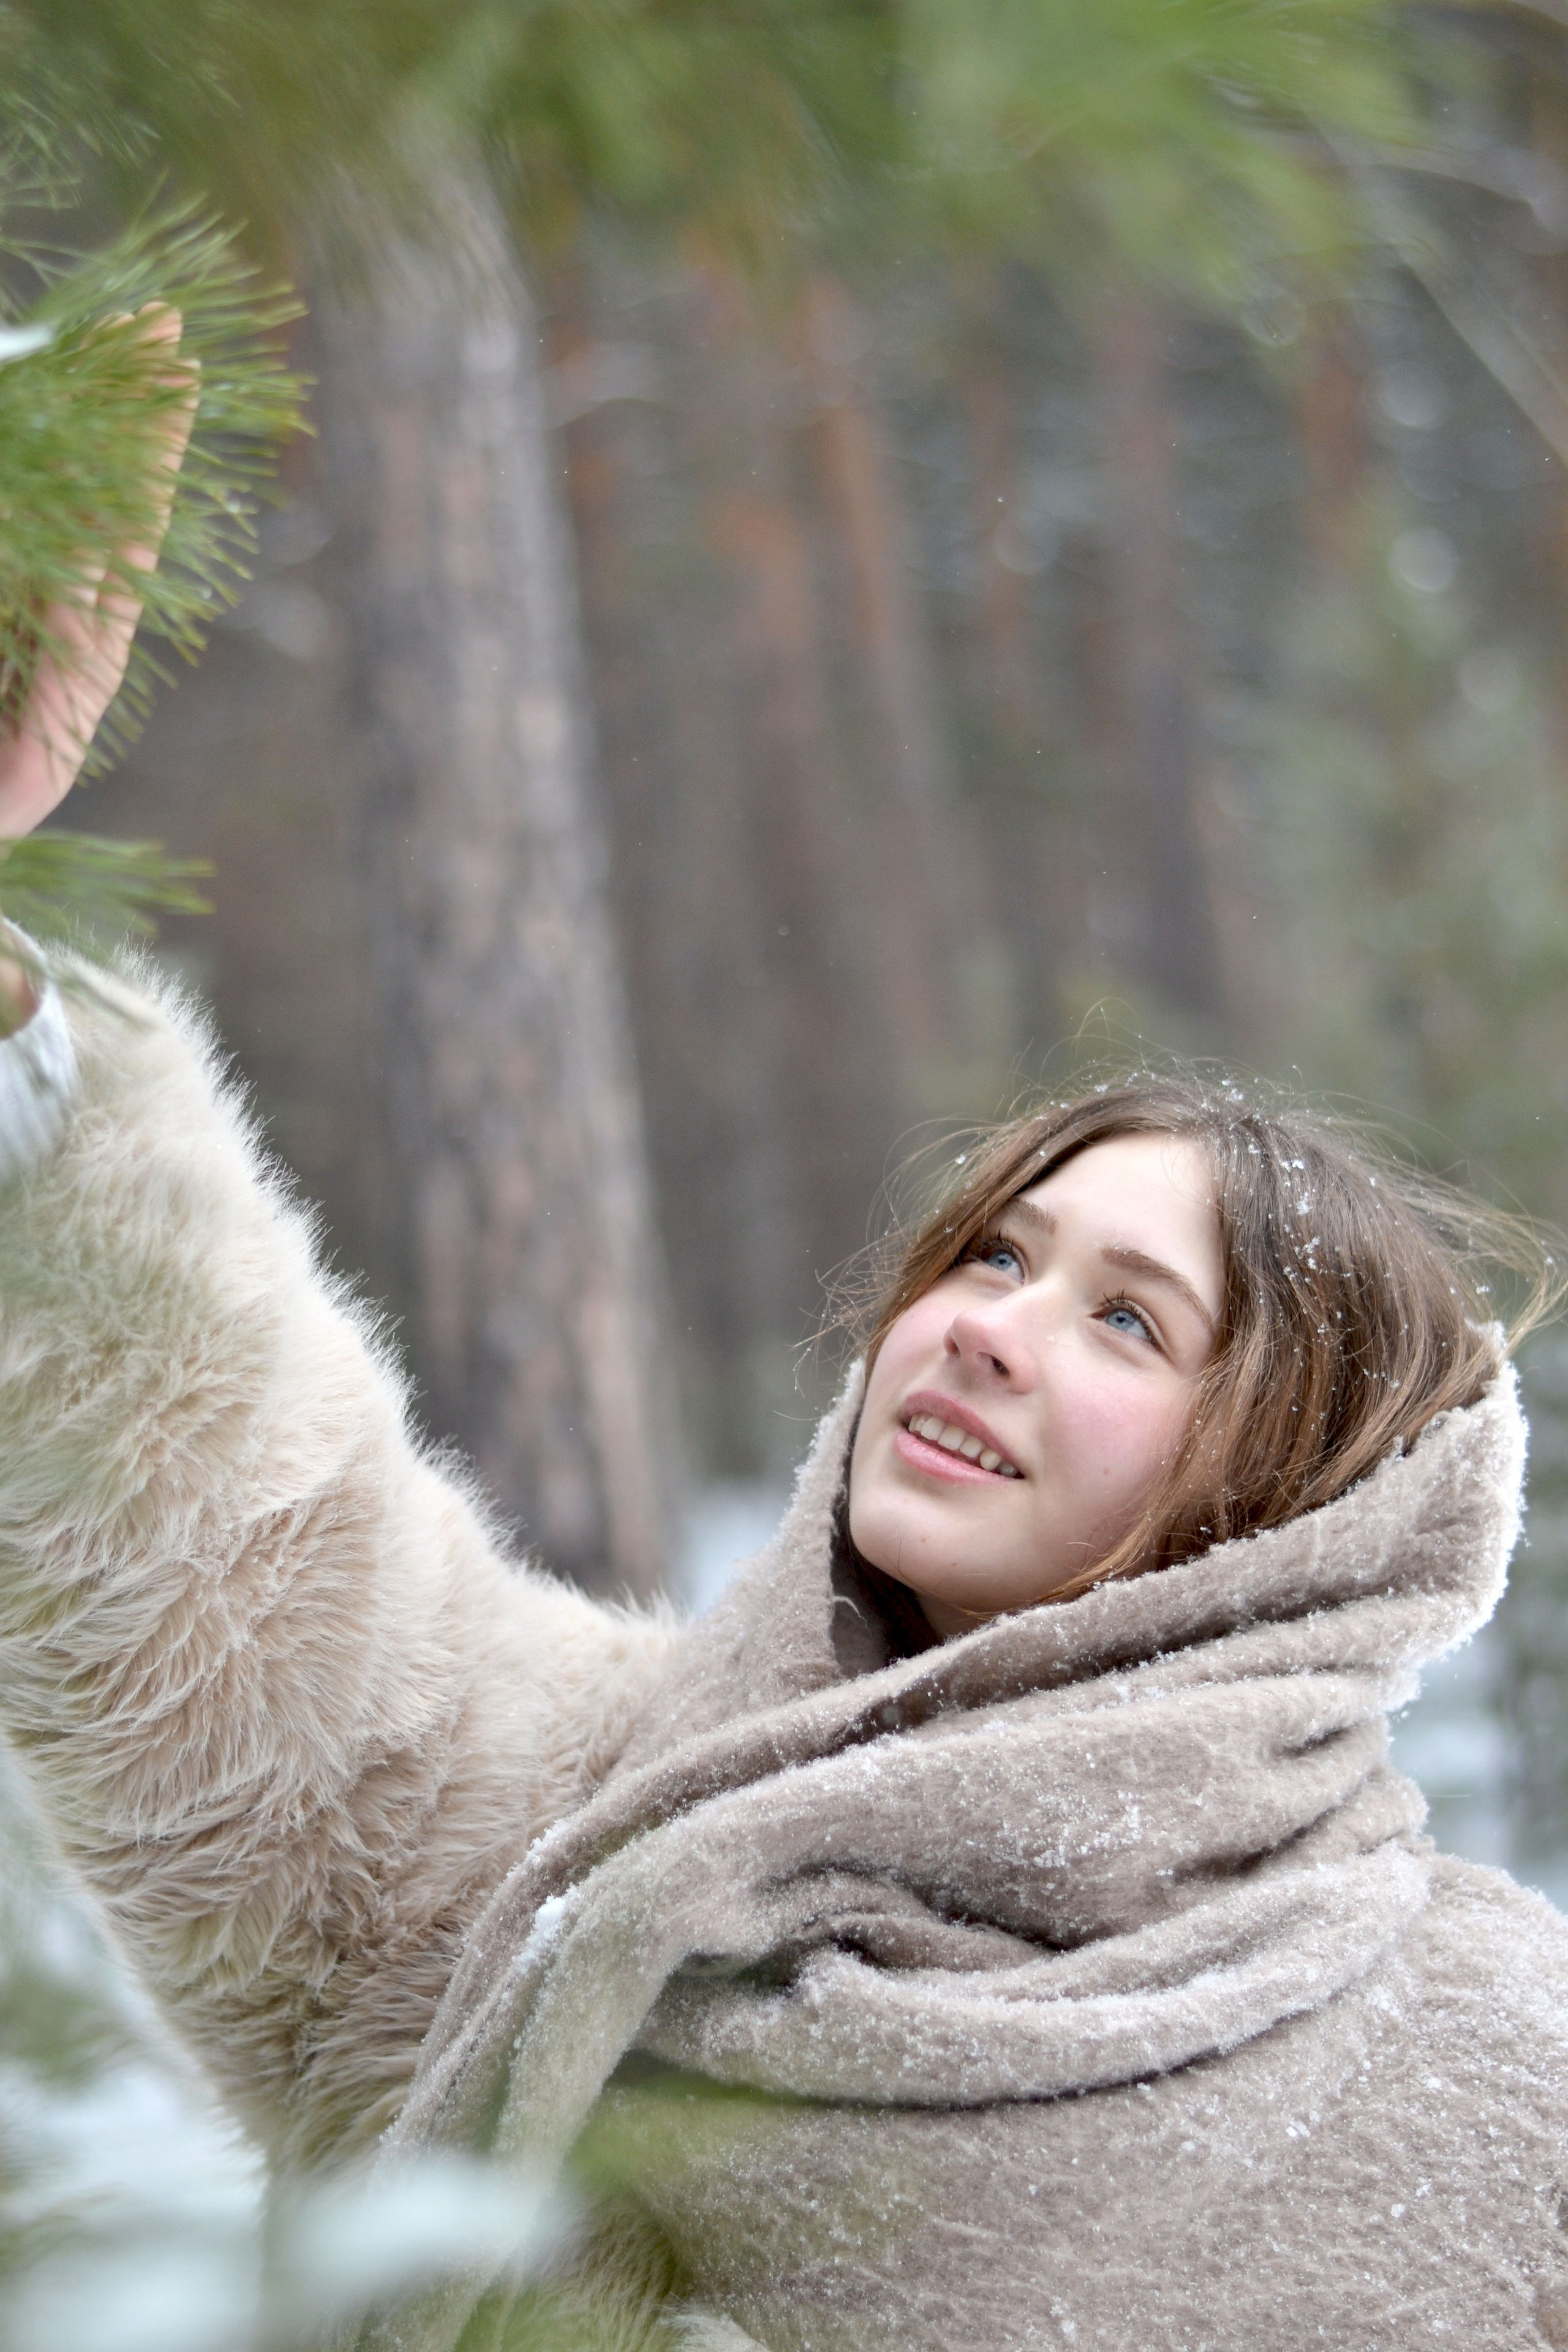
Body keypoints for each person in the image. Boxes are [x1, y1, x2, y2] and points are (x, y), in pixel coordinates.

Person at [3, 328, 1568, 2352]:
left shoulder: (1479, 2075)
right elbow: (226, 1555)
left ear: (1286, 1510)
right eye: (993, 1255)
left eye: (1126, 1317)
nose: (992, 1330)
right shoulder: (607, 1831)